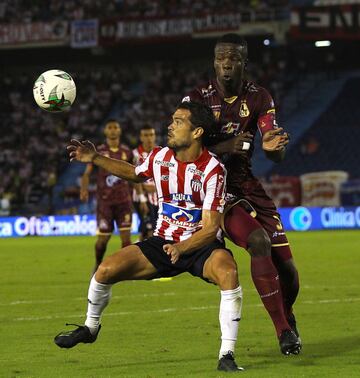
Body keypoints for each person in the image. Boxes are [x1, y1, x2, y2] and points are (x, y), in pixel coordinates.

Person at [54, 102, 244, 372]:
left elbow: (211, 227)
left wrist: (183, 246)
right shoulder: (160, 157)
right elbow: (133, 173)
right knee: (105, 271)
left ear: (197, 131)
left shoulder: (213, 170)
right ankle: (90, 327)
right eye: (172, 120)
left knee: (228, 272)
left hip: (200, 245)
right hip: (162, 242)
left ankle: (227, 355)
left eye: (178, 122)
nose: (170, 125)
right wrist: (96, 158)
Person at [183, 33, 301, 355]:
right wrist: (223, 147)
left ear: (243, 62)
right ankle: (283, 332)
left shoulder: (259, 97)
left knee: (289, 273)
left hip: (248, 184)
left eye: (233, 58)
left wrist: (273, 147)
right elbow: (182, 149)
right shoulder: (198, 99)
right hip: (215, 188)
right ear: (214, 62)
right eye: (221, 58)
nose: (226, 64)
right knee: (258, 241)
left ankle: (286, 314)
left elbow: (273, 146)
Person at [80, 120, 133, 272]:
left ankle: (127, 269)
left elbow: (134, 174)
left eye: (115, 127)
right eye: (109, 127)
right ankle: (97, 263)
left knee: (126, 240)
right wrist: (83, 189)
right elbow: (87, 174)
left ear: (120, 130)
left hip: (124, 201)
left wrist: (140, 195)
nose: (113, 130)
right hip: (105, 203)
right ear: (105, 131)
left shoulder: (127, 152)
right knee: (102, 240)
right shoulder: (98, 152)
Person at [132, 125, 158, 240]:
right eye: (146, 135)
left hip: (158, 198)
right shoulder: (135, 154)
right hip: (142, 198)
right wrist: (142, 198)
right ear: (141, 137)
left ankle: (135, 250)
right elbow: (133, 177)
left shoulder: (161, 153)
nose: (149, 138)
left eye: (151, 135)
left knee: (151, 231)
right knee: (149, 231)